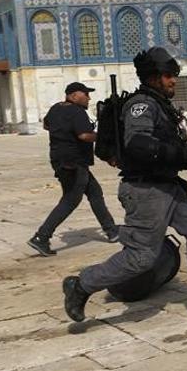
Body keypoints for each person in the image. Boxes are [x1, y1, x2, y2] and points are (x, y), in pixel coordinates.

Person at [62, 47, 187, 323]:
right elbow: (138, 143)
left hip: (167, 187)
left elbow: (161, 145)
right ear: (153, 77)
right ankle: (82, 284)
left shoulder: (160, 103)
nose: (173, 80)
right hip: (146, 192)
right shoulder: (142, 105)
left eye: (174, 75)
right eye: (168, 75)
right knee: (142, 256)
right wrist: (180, 154)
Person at [28, 82, 121, 256]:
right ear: (73, 95)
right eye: (85, 94)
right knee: (70, 199)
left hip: (62, 160)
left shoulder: (56, 108)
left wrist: (62, 132)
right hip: (74, 162)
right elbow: (84, 135)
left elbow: (46, 125)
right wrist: (105, 137)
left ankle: (112, 231)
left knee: (95, 193)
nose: (88, 98)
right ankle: (41, 237)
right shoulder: (76, 111)